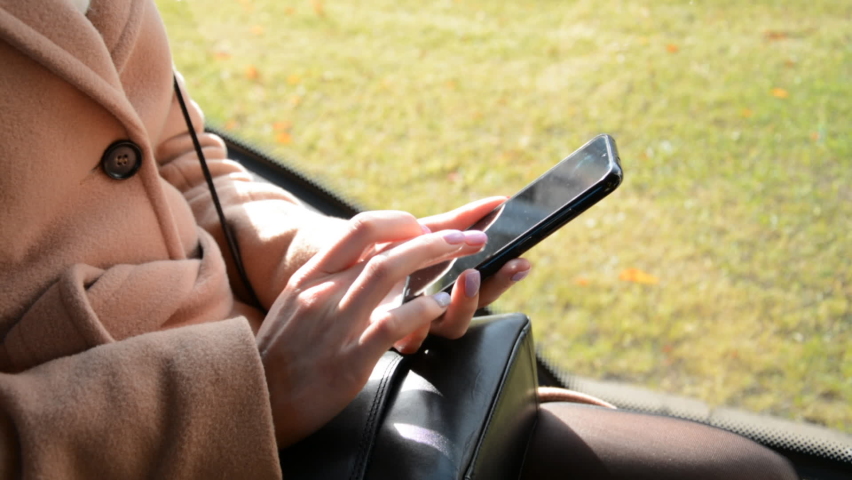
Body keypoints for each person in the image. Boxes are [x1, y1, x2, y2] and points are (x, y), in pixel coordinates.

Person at [0, 0, 798, 478]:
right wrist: (253, 391)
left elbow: (176, 155)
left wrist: (334, 259)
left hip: (275, 356)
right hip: (144, 435)